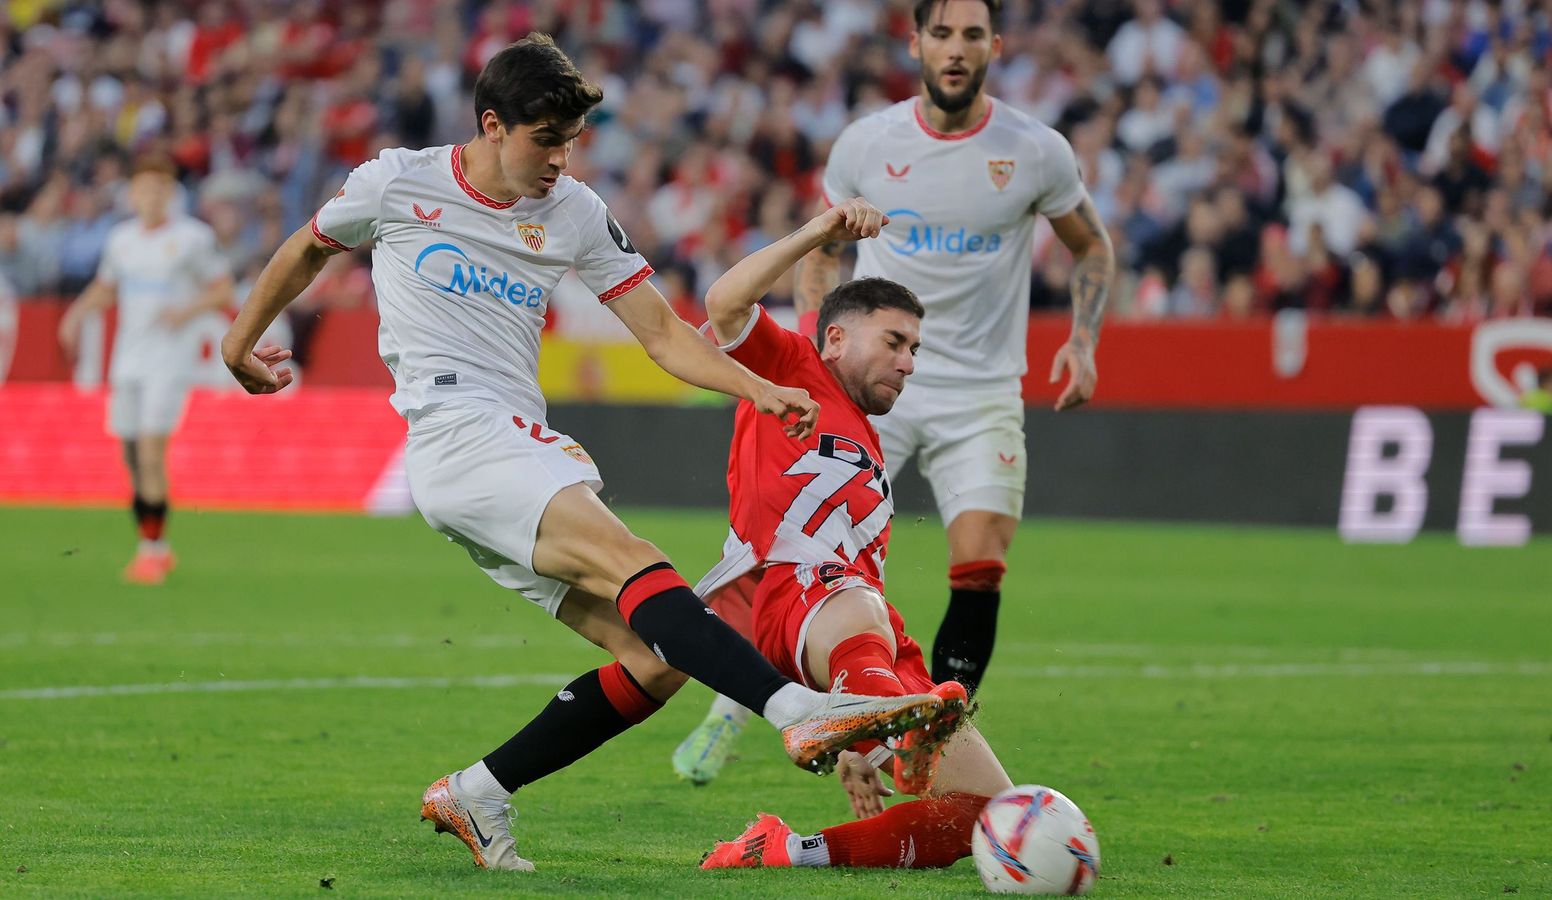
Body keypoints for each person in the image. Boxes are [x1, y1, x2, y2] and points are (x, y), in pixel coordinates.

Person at [218, 34, 957, 873]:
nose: (561, 159)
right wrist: (240, 345)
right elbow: (310, 244)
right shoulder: (398, 180)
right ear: (493, 126)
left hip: (508, 447)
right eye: (545, 140)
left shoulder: (572, 209)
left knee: (652, 656)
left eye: (572, 142)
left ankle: (480, 790)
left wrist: (751, 388)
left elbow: (666, 337)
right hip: (457, 433)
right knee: (638, 561)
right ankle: (797, 711)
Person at [674, 0, 1114, 783]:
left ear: (994, 47)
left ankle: (929, 733)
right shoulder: (869, 144)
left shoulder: (1035, 151)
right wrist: (818, 354)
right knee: (797, 547)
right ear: (915, 43)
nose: (955, 49)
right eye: (941, 33)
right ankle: (735, 704)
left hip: (979, 387)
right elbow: (823, 253)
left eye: (971, 35)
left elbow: (1091, 245)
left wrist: (1082, 341)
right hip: (873, 382)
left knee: (980, 557)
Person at [689, 197, 1015, 871]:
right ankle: (874, 721)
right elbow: (723, 303)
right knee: (859, 601)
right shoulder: (792, 367)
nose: (909, 363)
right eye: (894, 343)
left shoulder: (867, 441)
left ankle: (787, 850)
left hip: (858, 623)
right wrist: (814, 233)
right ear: (836, 339)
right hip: (795, 592)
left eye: (915, 349)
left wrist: (858, 737)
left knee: (986, 812)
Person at [58, 156, 234, 585]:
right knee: (131, 455)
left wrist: (186, 312)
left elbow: (224, 289)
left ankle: (153, 551)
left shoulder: (192, 238)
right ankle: (152, 541)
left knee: (153, 452)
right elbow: (107, 287)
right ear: (132, 194)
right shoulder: (121, 240)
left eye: (160, 188)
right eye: (144, 188)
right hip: (127, 359)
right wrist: (76, 314)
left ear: (170, 194)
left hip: (168, 362)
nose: (151, 196)